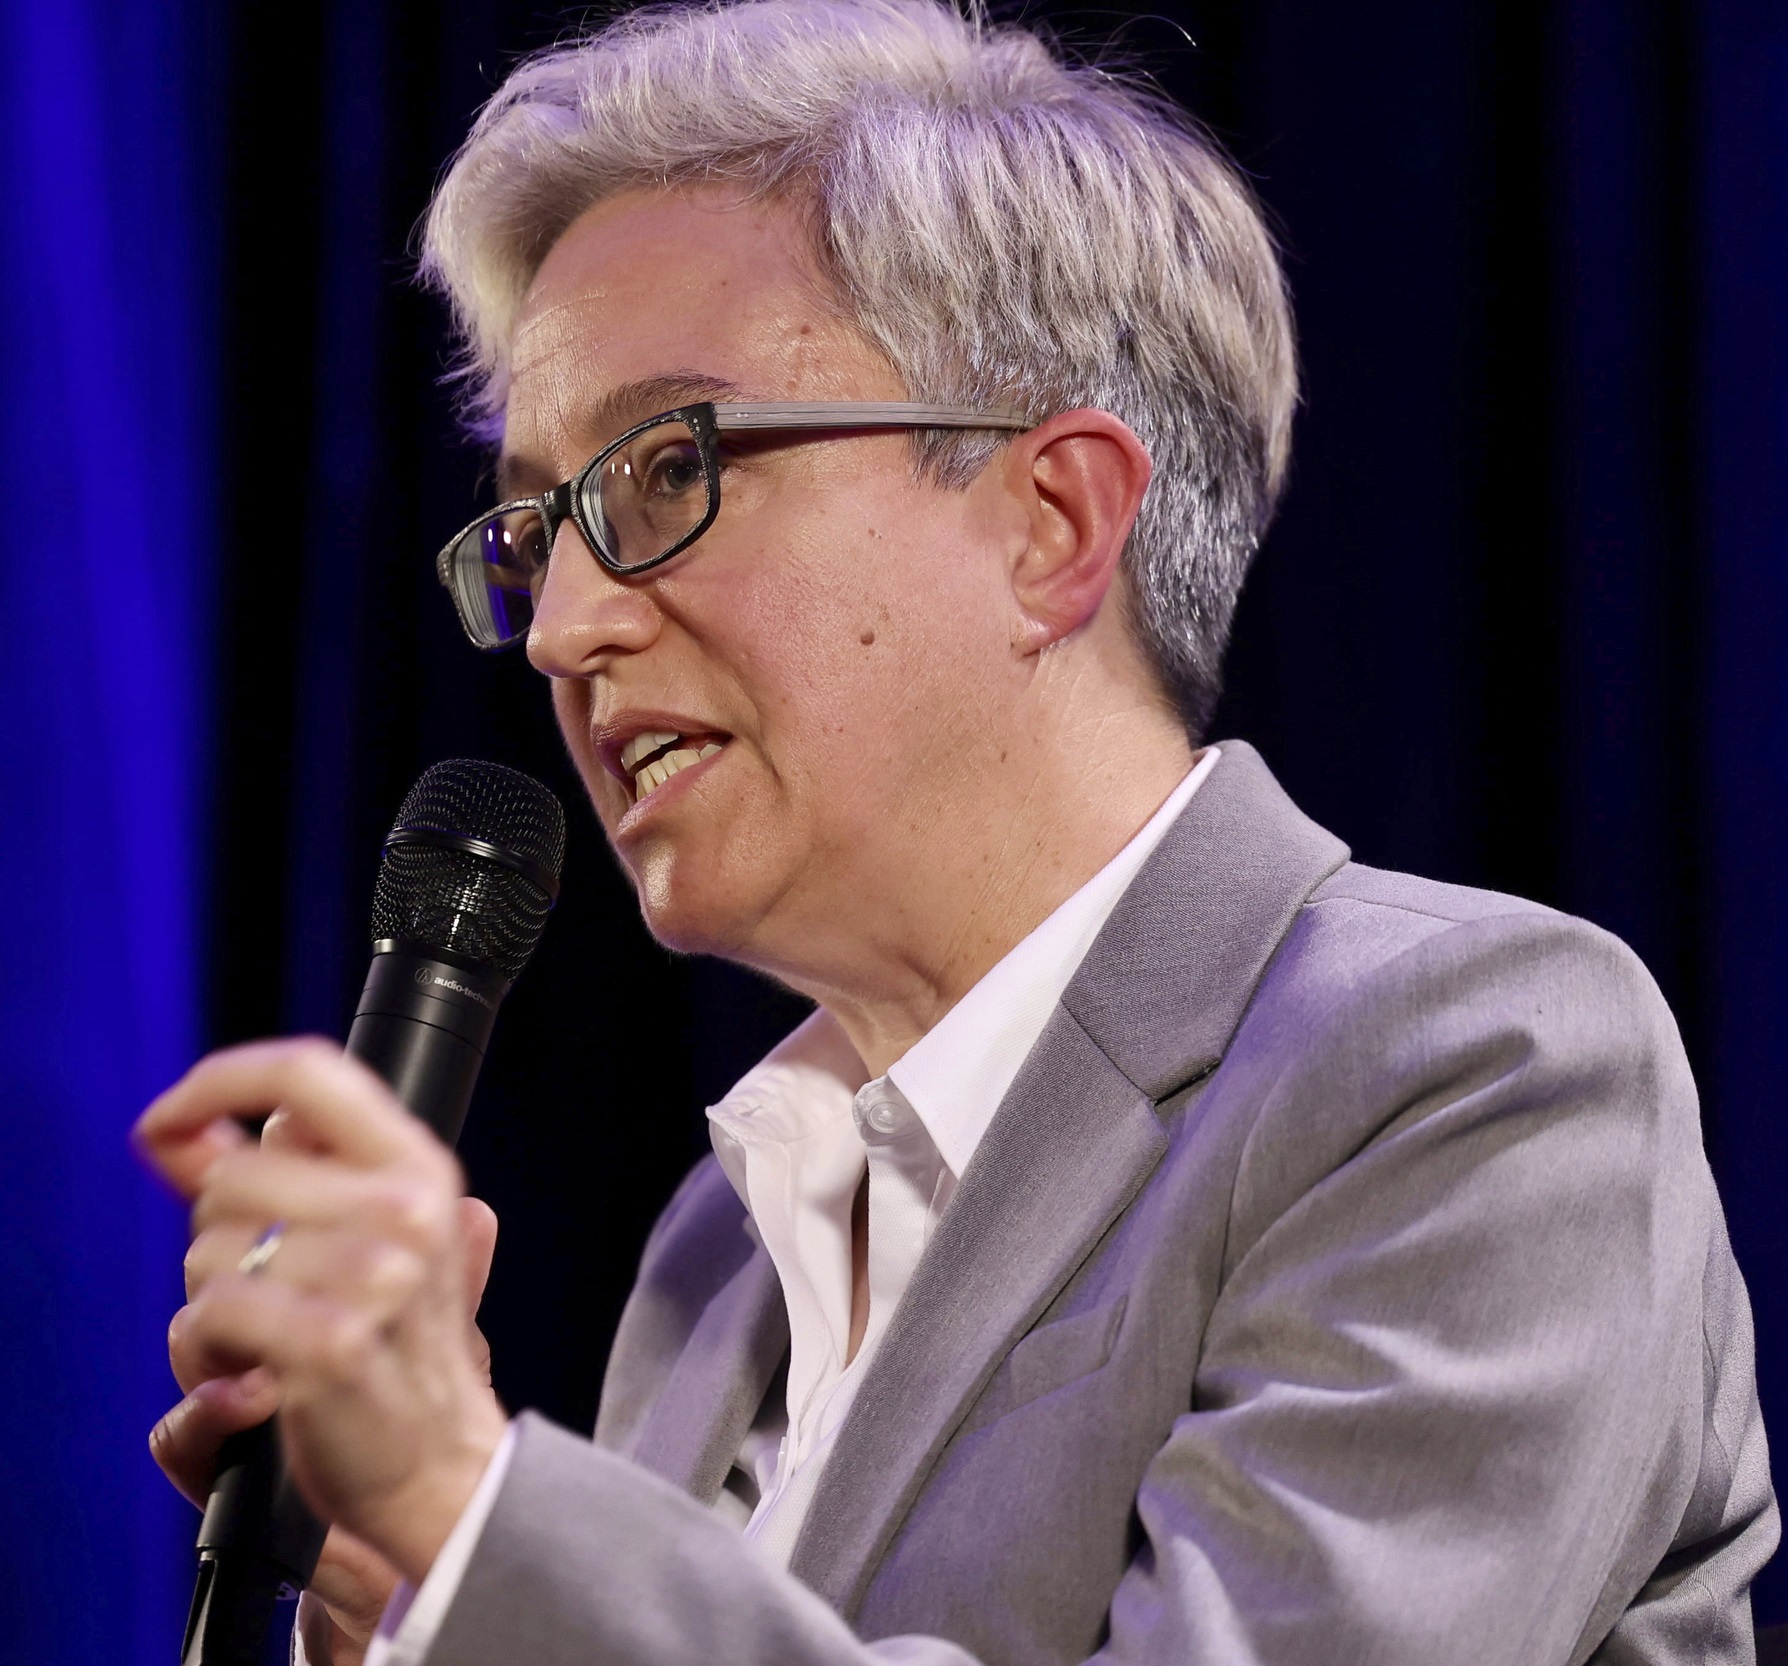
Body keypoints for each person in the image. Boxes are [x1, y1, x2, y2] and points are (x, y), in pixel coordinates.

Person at [135, 3, 1778, 1662]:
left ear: (1051, 524)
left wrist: (477, 1504)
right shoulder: (719, 1256)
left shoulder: (1469, 1069)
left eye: (661, 468)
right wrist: (412, 1600)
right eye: (540, 522)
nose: (562, 624)